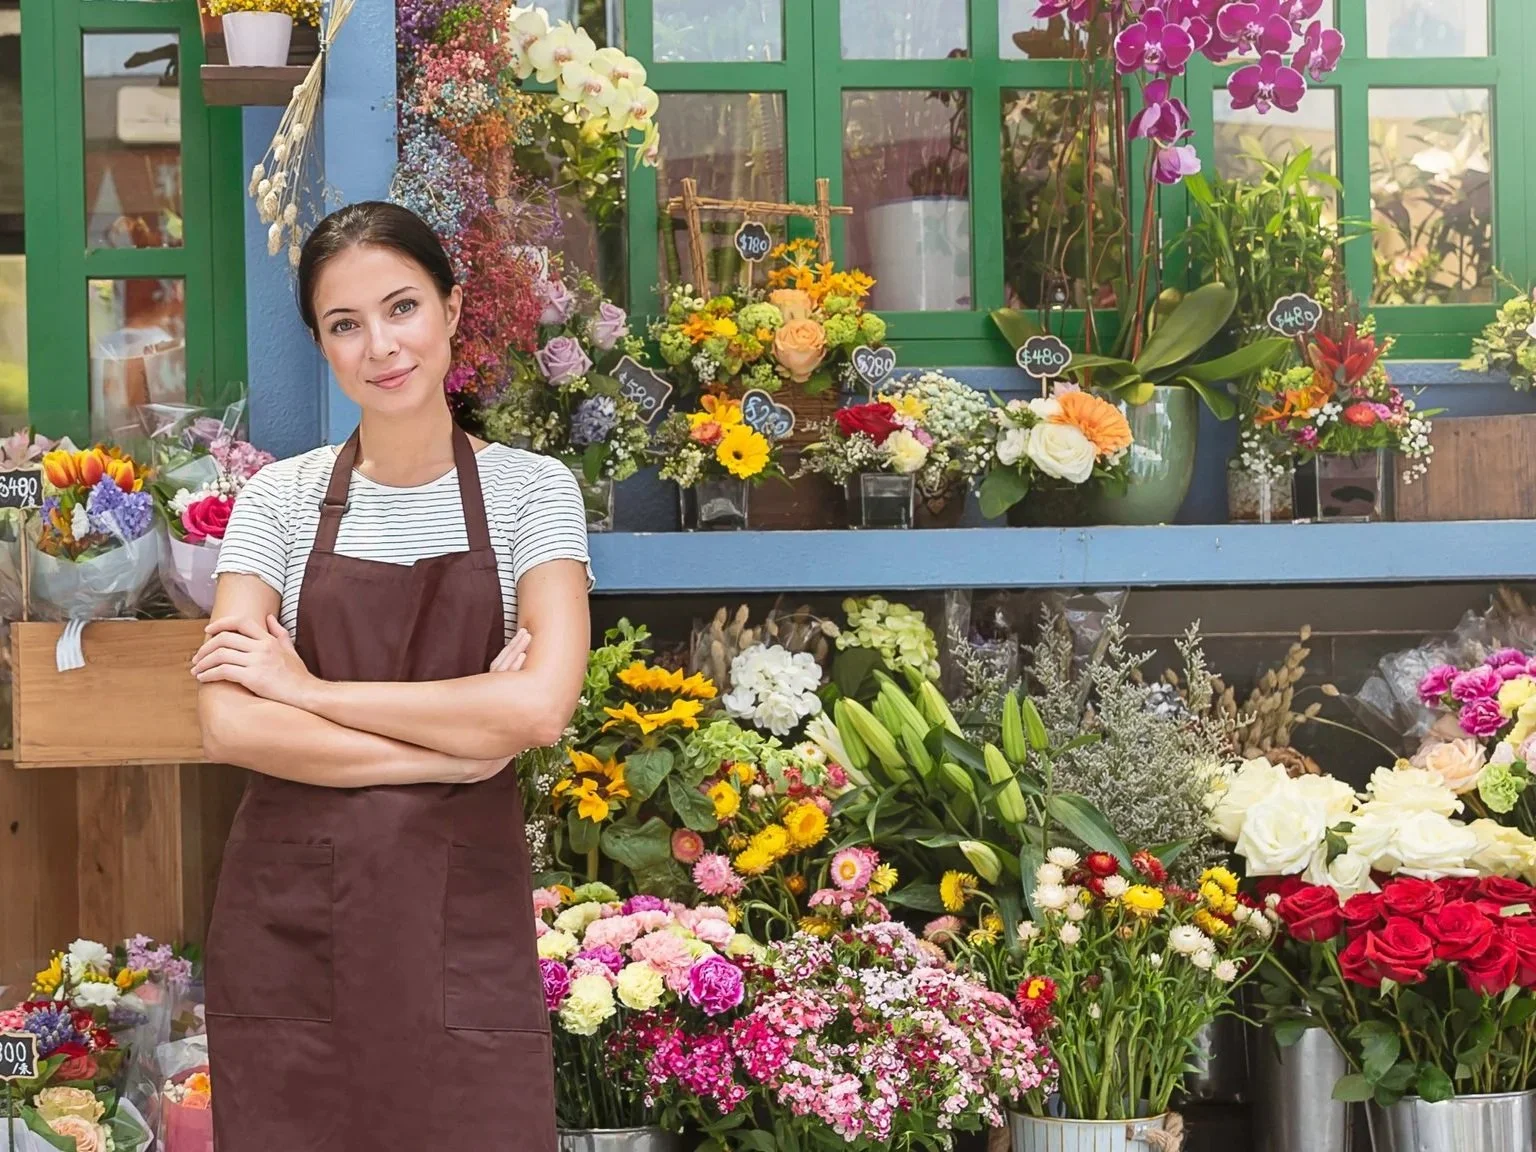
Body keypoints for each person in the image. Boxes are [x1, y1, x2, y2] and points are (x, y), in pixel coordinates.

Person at [192, 201, 589, 1150]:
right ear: (323, 345)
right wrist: (455, 752)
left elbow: (538, 706)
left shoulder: (533, 491)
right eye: (345, 324)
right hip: (292, 937)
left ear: (452, 311)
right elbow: (232, 729)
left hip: (460, 931)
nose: (381, 345)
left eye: (402, 306)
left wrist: (310, 692)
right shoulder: (277, 501)